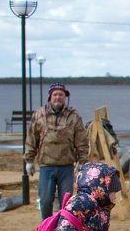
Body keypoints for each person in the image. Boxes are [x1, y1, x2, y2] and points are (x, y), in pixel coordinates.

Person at [24, 82, 90, 220]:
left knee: (67, 203)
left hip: (66, 167)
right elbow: (31, 138)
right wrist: (29, 160)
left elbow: (81, 140)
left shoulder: (74, 116)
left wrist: (83, 162)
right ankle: (46, 228)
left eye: (61, 94)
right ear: (50, 97)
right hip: (46, 166)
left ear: (65, 97)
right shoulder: (39, 115)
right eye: (55, 94)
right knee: (46, 200)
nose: (58, 97)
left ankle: (63, 230)